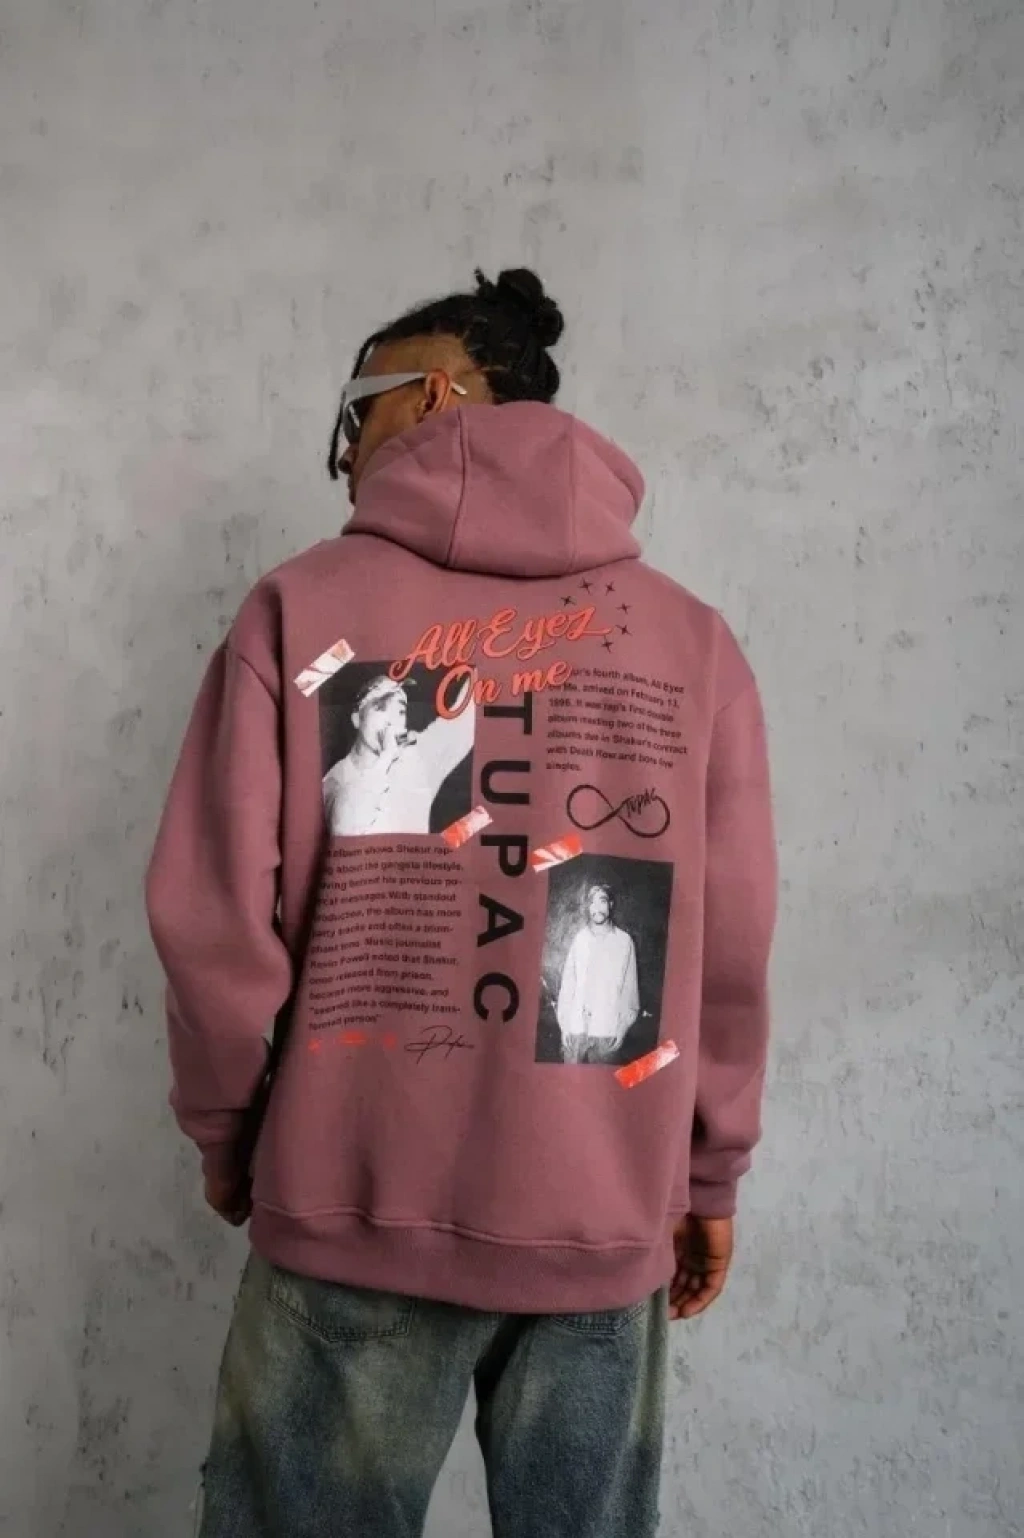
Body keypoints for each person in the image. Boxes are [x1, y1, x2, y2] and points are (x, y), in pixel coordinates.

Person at [146, 266, 778, 1538]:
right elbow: (730, 941)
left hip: (351, 1200)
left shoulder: (300, 608)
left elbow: (214, 923)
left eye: (357, 410)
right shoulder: (689, 641)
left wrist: (229, 1132)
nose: (345, 454)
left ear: (432, 394)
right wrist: (706, 1172)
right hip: (600, 1213)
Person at [321, 671, 474, 836]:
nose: (391, 721)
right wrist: (386, 758)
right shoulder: (334, 781)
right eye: (380, 708)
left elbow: (465, 720)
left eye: (400, 711)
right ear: (357, 719)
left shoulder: (417, 757)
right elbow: (347, 830)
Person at [556, 882, 640, 1063]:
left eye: (602, 901)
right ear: (588, 907)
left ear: (611, 904)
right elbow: (568, 985)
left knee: (603, 1081)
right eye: (592, 903)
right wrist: (564, 1026)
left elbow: (629, 989)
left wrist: (623, 1028)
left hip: (607, 1032)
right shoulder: (580, 939)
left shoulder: (624, 942)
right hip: (576, 1032)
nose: (597, 908)